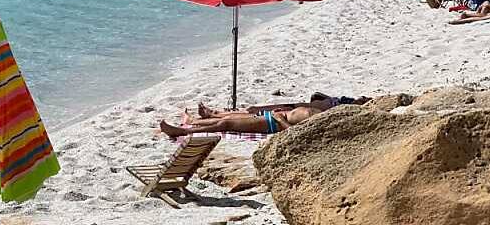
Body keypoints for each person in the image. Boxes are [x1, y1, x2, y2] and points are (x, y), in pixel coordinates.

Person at [159, 95, 371, 137]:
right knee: (229, 120)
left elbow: (299, 133)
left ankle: (183, 130)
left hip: (273, 124)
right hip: (274, 117)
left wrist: (279, 119)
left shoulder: (319, 120)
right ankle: (193, 123)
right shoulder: (325, 112)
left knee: (226, 123)